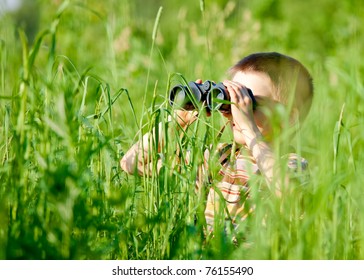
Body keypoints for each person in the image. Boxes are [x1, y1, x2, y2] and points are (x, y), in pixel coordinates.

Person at [120, 52, 313, 235]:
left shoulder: (291, 164)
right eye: (231, 98)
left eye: (248, 102)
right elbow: (132, 162)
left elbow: (290, 197)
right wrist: (177, 122)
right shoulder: (219, 159)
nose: (236, 110)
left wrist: (249, 129)